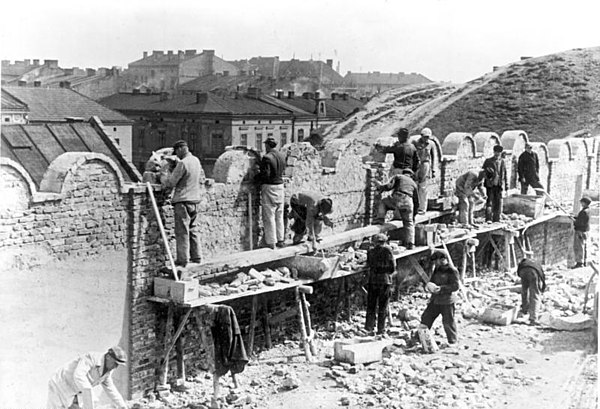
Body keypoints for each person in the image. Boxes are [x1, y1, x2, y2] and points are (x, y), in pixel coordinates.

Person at [161, 140, 202, 266]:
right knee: (193, 229)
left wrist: (165, 174)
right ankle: (197, 256)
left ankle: (182, 259)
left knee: (182, 231)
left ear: (180, 149)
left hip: (183, 200)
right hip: (194, 200)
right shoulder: (196, 160)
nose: (177, 155)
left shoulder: (183, 163)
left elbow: (171, 183)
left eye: (177, 152)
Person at [47, 346, 128, 409]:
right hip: (60, 385)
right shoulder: (91, 358)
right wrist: (88, 397)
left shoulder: (107, 371)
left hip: (76, 392)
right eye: (115, 363)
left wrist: (122, 406)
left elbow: (111, 389)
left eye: (118, 365)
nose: (116, 367)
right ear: (108, 357)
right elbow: (78, 375)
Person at [373, 169, 419, 249]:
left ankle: (380, 219)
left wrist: (380, 187)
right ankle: (411, 243)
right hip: (408, 201)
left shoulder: (399, 177)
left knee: (383, 202)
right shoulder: (414, 184)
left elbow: (389, 186)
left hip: (398, 197)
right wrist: (414, 215)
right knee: (409, 223)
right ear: (411, 176)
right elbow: (416, 201)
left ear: (403, 173)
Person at [420, 250, 460, 344]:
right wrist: (429, 286)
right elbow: (432, 280)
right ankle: (422, 338)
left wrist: (441, 288)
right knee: (426, 317)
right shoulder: (437, 268)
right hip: (435, 299)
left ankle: (452, 341)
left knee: (448, 322)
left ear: (443, 259)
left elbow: (455, 286)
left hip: (447, 301)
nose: (435, 263)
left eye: (436, 261)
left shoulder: (452, 270)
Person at [254, 137, 286, 249]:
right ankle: (281, 239)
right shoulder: (281, 156)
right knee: (279, 214)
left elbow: (265, 175)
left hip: (269, 187)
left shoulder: (267, 158)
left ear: (267, 145)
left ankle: (271, 242)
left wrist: (256, 178)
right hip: (280, 186)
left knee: (269, 215)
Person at [365, 233, 395, 335]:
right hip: (385, 281)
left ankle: (369, 328)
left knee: (371, 305)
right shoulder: (388, 251)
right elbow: (393, 267)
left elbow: (368, 264)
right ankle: (381, 330)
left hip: (373, 281)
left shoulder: (370, 252)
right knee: (383, 306)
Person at [517, 252, 546, 325]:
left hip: (522, 271)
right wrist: (542, 289)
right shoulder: (537, 265)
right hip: (533, 272)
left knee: (524, 290)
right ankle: (533, 318)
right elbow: (542, 278)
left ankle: (524, 309)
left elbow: (518, 273)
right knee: (535, 294)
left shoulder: (523, 262)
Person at [482, 145, 508, 222]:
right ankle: (488, 218)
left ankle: (497, 218)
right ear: (494, 152)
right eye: (496, 152)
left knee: (498, 201)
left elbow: (505, 174)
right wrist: (488, 179)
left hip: (499, 185)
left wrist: (506, 186)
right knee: (489, 201)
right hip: (490, 185)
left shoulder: (502, 161)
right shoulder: (488, 161)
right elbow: (484, 172)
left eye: (499, 153)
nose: (497, 154)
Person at [413, 128, 436, 214]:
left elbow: (434, 158)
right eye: (424, 137)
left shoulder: (431, 144)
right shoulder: (415, 143)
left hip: (425, 164)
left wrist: (433, 170)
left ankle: (422, 208)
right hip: (416, 165)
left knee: (423, 187)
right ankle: (414, 207)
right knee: (414, 185)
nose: (426, 139)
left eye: (427, 137)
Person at [572, 196, 591, 268]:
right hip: (585, 231)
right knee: (583, 247)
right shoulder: (588, 210)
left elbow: (580, 223)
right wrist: (576, 218)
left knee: (579, 246)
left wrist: (575, 221)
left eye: (582, 202)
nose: (581, 203)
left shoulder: (583, 212)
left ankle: (579, 263)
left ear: (585, 203)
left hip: (580, 231)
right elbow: (582, 220)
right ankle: (584, 262)